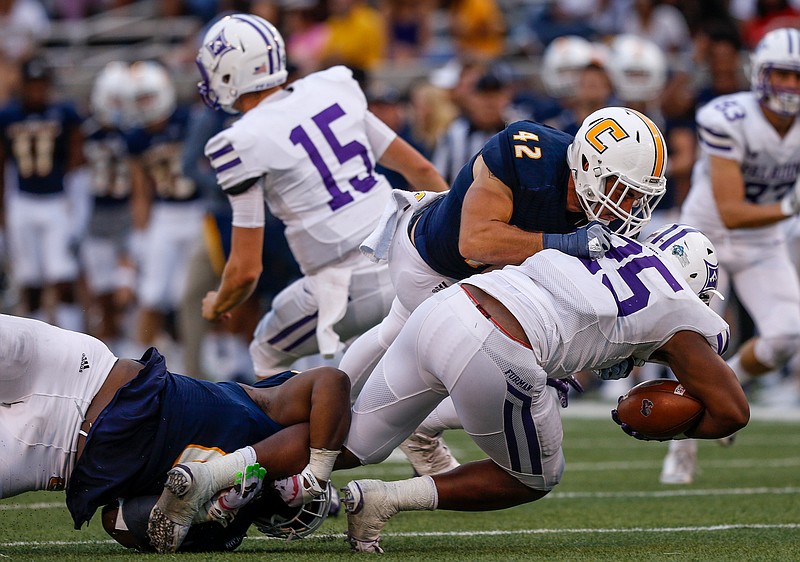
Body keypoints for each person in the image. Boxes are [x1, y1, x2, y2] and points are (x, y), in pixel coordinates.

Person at [335, 224, 749, 553]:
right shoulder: (680, 307)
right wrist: (673, 426)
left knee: (354, 445)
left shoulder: (615, 246)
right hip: (499, 344)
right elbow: (733, 411)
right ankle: (385, 498)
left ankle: (280, 474)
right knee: (536, 476)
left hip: (449, 305)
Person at [338, 105, 669, 469]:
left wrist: (607, 351)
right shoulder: (528, 156)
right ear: (588, 166)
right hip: (432, 265)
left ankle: (321, 410)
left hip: (480, 278)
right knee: (506, 375)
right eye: (620, 190)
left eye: (637, 196)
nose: (627, 206)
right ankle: (387, 429)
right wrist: (560, 243)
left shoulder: (603, 206)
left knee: (393, 337)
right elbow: (475, 241)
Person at [195, 13, 447, 378]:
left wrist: (217, 304)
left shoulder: (239, 140)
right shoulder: (331, 88)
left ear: (230, 73)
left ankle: (304, 437)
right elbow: (422, 172)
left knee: (263, 355)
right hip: (410, 260)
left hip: (345, 286)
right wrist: (445, 246)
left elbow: (245, 271)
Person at [0, 313, 351, 553]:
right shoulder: (272, 412)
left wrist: (206, 510)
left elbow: (118, 522)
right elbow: (332, 381)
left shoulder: (226, 524)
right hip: (85, 371)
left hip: (53, 451)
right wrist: (318, 472)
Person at [661, 27, 800, 484]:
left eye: (798, 77)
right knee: (692, 342)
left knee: (788, 333)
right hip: (706, 239)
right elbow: (732, 210)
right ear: (761, 75)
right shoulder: (728, 116)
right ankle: (680, 446)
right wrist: (792, 206)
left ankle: (732, 381)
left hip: (765, 242)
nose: (791, 87)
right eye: (783, 75)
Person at [0, 55, 85, 331]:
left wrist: (74, 197)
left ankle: (72, 337)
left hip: (55, 200)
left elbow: (76, 155)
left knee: (62, 274)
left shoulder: (63, 112)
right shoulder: (8, 115)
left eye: (41, 84)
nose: (37, 91)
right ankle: (35, 341)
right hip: (22, 200)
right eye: (32, 85)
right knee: (30, 278)